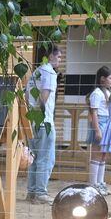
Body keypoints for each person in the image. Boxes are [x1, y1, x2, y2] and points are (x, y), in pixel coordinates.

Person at [26, 44, 64, 203]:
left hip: (31, 121)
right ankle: (41, 192)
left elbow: (27, 96)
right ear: (50, 56)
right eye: (59, 56)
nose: (60, 59)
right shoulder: (49, 72)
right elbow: (44, 97)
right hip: (44, 121)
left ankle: (32, 191)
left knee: (33, 158)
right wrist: (42, 115)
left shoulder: (35, 72)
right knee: (46, 158)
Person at [87, 66, 111, 192]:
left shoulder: (109, 92)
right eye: (110, 78)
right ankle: (93, 184)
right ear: (102, 79)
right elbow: (94, 112)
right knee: (97, 155)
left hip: (107, 122)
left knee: (103, 155)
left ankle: (100, 183)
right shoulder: (97, 93)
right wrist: (97, 129)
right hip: (99, 122)